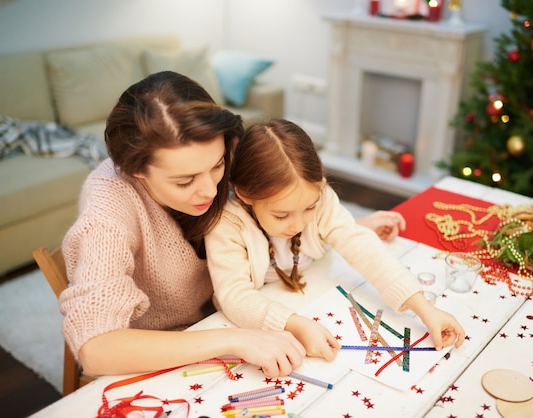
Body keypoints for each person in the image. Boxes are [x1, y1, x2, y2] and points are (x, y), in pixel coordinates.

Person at [59, 71, 408, 379]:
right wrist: (232, 340)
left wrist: (341, 225)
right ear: (135, 169)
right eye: (184, 182)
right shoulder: (108, 212)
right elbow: (95, 348)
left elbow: (266, 213)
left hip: (234, 312)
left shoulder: (223, 148)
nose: (211, 190)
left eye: (217, 166)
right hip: (173, 350)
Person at [205, 119, 466, 364]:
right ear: (244, 194)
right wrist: (293, 324)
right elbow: (234, 297)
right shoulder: (226, 225)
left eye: (309, 209)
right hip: (267, 311)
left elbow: (360, 246)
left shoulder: (320, 197)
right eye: (282, 215)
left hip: (314, 286)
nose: (297, 225)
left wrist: (424, 308)